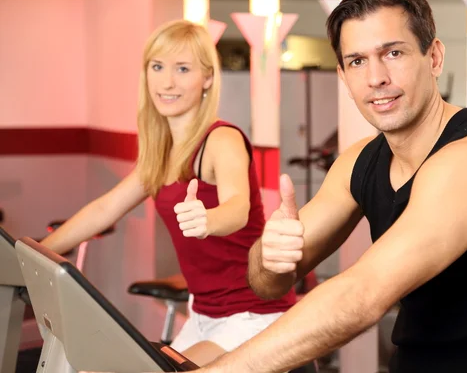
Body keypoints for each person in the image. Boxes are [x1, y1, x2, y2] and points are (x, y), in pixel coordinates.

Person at [189, 0, 467, 373]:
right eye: (357, 61)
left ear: (433, 57)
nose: (376, 78)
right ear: (344, 77)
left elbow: (362, 295)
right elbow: (267, 285)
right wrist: (270, 254)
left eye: (393, 53)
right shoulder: (359, 162)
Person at [40, 19, 296, 367]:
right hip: (203, 313)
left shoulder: (221, 139)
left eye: (183, 69)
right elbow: (105, 209)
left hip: (251, 314)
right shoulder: (161, 152)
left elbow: (238, 207)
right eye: (157, 67)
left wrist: (208, 219)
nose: (167, 81)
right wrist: (35, 252)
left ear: (207, 78)